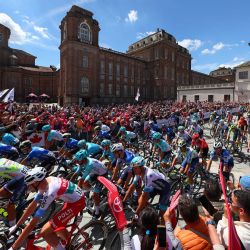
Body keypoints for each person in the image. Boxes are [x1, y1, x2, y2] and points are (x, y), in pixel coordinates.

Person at [9, 167, 85, 250]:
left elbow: (33, 223)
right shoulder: (45, 182)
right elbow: (32, 205)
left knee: (45, 232)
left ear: (36, 182)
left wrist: (14, 247)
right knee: (55, 225)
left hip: (77, 203)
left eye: (30, 184)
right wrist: (17, 225)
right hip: (73, 198)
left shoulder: (50, 191)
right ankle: (70, 240)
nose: (29, 188)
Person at [71, 150, 107, 219]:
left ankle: (97, 212)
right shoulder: (82, 162)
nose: (77, 162)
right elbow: (76, 173)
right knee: (85, 184)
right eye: (77, 160)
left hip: (103, 174)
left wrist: (76, 191)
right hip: (95, 172)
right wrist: (69, 182)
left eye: (79, 161)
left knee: (94, 195)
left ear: (84, 159)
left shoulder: (89, 164)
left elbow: (81, 179)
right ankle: (93, 190)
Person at [0, 158, 29, 227]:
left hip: (25, 179)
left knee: (10, 204)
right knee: (1, 192)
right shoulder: (1, 159)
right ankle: (18, 200)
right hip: (19, 176)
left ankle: (13, 226)